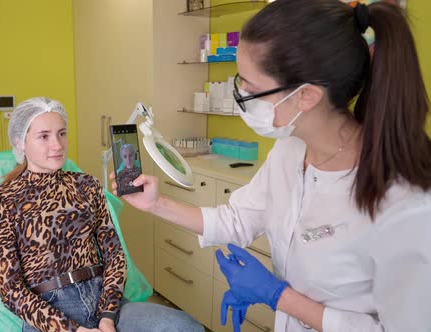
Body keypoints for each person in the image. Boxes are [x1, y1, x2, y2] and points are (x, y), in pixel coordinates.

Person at [111, 1, 431, 331]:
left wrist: (278, 296)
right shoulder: (290, 150)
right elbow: (236, 218)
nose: (241, 96)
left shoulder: (406, 201)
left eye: (251, 88)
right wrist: (157, 204)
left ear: (306, 96)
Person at [0, 97, 204, 332]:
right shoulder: (0, 201)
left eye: (62, 133)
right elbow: (10, 291)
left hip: (104, 301)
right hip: (49, 315)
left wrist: (107, 317)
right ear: (20, 142)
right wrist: (73, 330)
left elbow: (115, 256)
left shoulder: (86, 185)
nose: (57, 145)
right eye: (44, 136)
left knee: (184, 326)